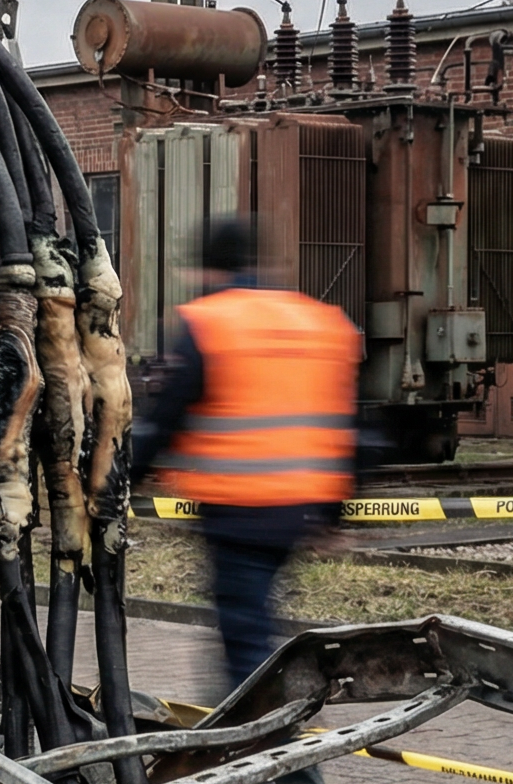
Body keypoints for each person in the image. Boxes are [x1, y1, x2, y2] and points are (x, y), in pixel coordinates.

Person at [126, 216, 364, 699]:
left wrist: (125, 479)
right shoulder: (319, 320)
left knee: (246, 644)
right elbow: (349, 432)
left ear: (206, 268)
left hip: (237, 513)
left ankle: (279, 762)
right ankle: (263, 738)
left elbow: (167, 418)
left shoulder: (209, 323)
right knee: (255, 632)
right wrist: (333, 517)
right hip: (299, 511)